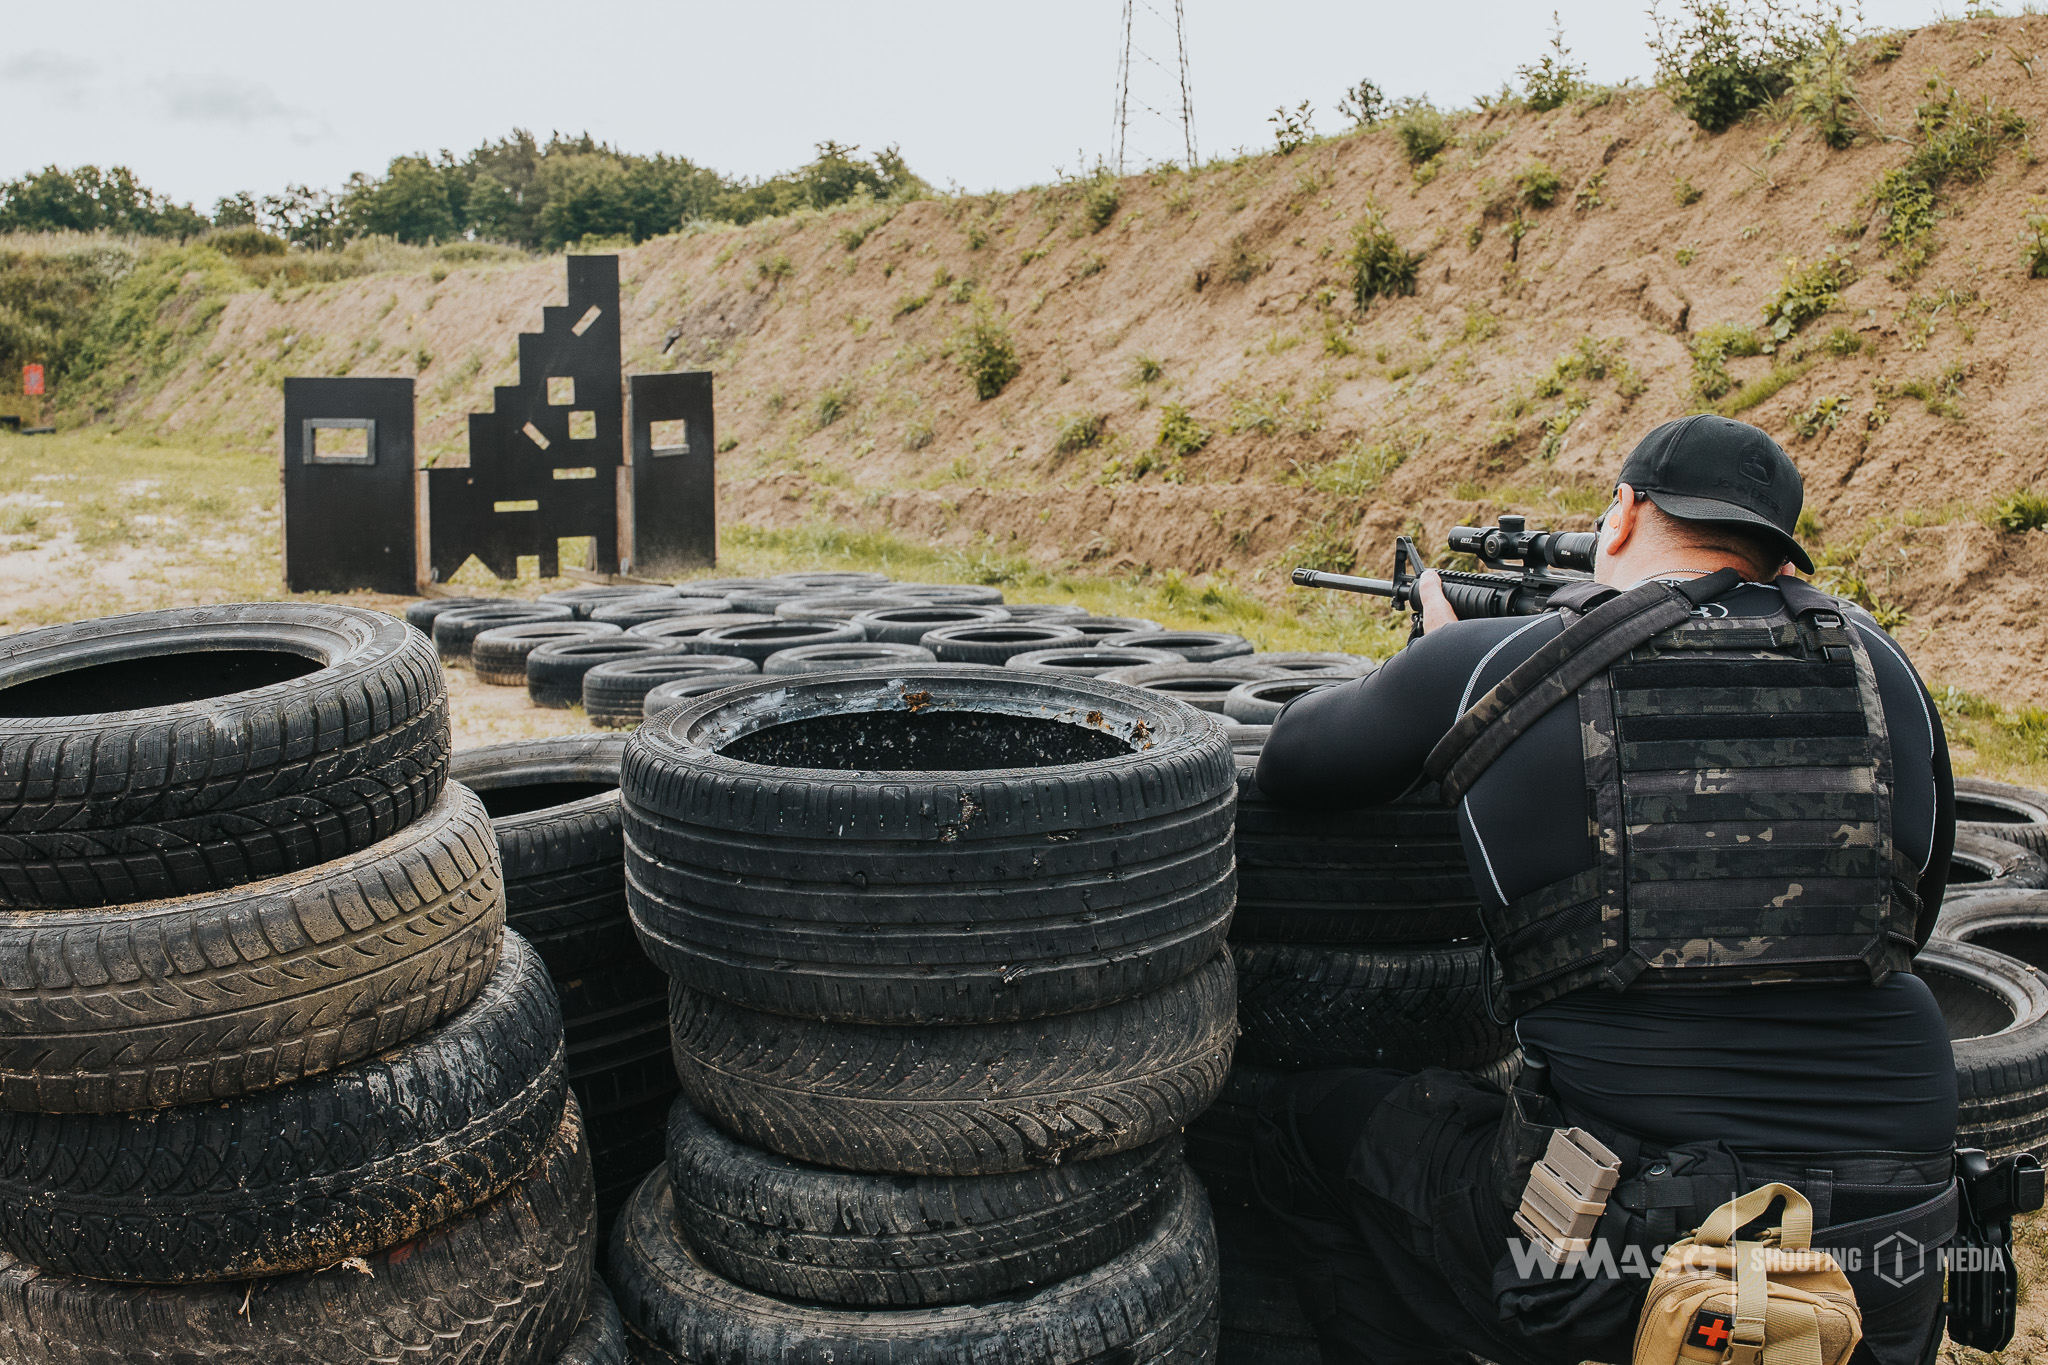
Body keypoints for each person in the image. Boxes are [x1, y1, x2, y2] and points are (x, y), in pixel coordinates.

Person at [1252, 414, 1958, 1365]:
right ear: (1781, 552)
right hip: (1893, 1246)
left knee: (1304, 1126)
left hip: (1629, 1252)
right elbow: (1911, 918)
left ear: (1620, 514)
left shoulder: (1510, 660)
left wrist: (1438, 663)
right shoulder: (1887, 672)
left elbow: (1294, 759)